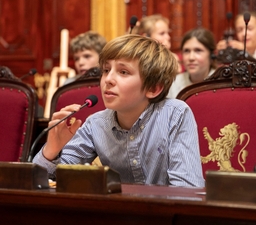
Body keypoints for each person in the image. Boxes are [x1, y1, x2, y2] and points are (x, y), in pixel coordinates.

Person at [33, 34, 204, 187]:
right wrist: (51, 150)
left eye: (123, 72)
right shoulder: (96, 123)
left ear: (153, 88)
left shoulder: (175, 115)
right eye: (106, 70)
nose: (108, 79)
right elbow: (47, 182)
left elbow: (187, 190)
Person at [167, 27, 217, 99]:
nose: (191, 58)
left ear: (212, 55)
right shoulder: (173, 84)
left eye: (198, 50)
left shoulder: (222, 83)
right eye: (186, 51)